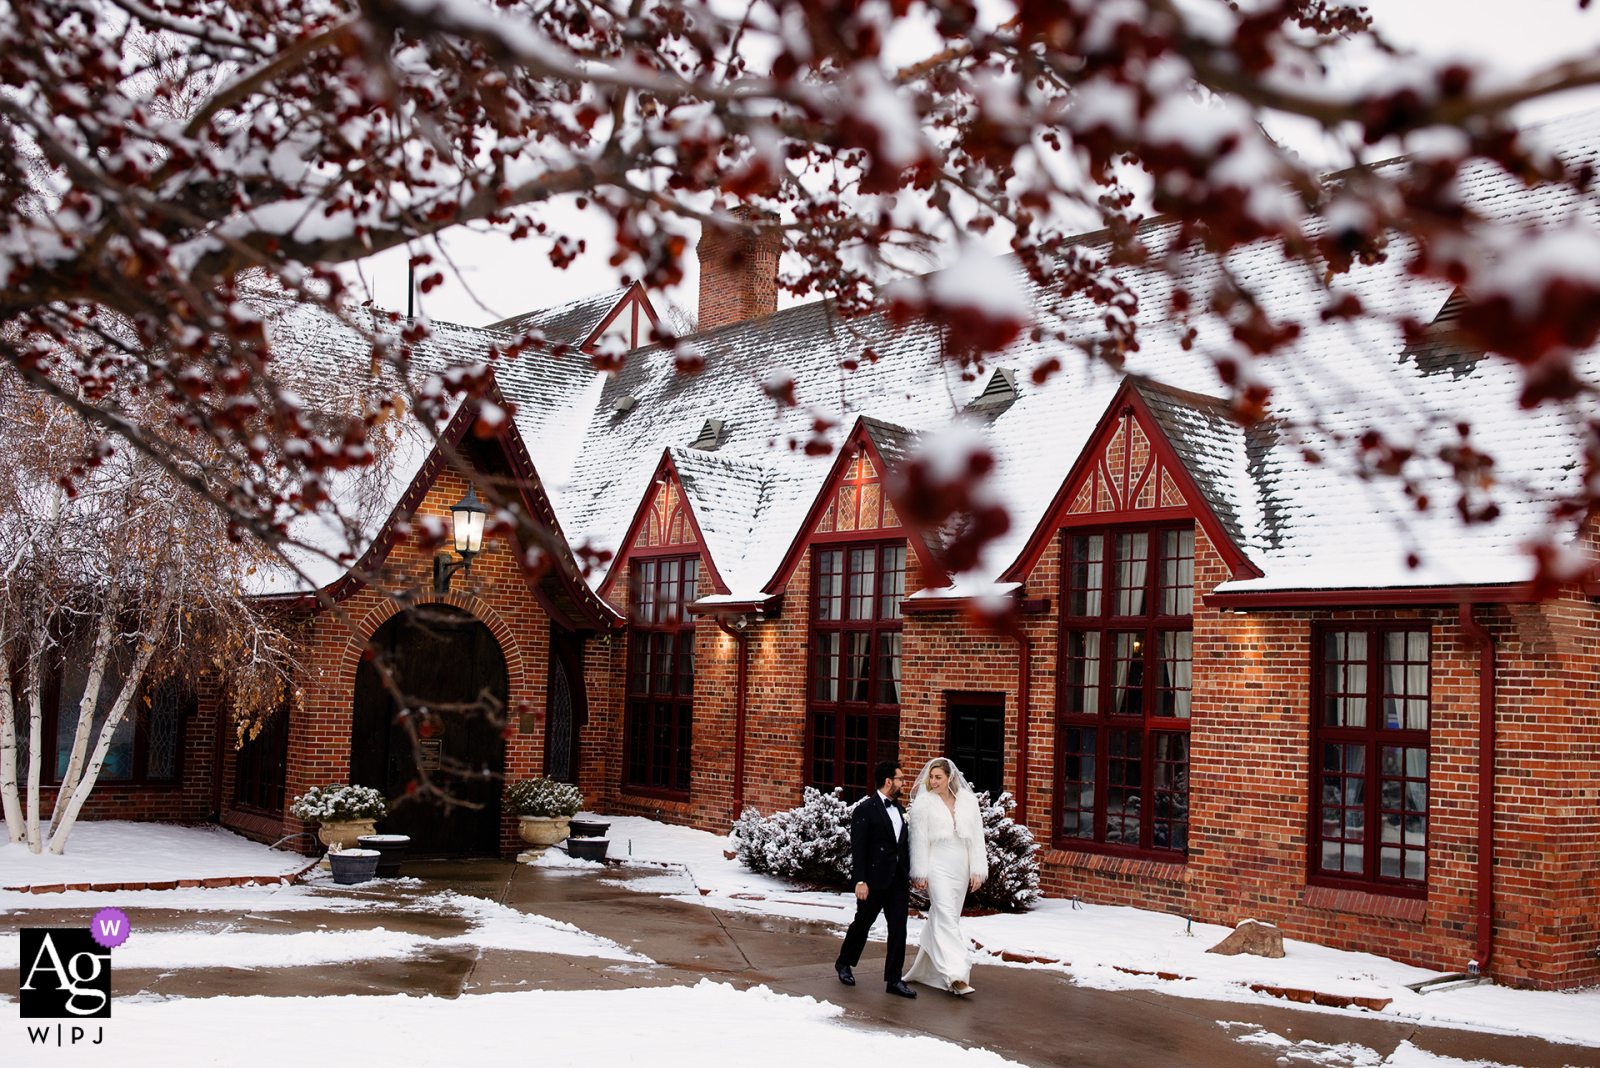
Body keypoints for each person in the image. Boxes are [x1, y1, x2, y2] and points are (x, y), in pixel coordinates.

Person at [904, 757, 987, 996]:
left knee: (946, 916)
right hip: (937, 864)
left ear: (950, 777)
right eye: (931, 777)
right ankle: (957, 974)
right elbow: (918, 839)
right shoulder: (924, 802)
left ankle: (925, 971)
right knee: (945, 915)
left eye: (938, 777)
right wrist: (919, 871)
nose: (933, 781)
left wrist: (977, 870)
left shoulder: (968, 801)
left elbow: (976, 837)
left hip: (960, 865)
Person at [834, 761, 918, 998]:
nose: (903, 783)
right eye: (900, 779)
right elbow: (858, 849)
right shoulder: (865, 809)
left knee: (898, 930)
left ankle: (894, 979)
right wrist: (860, 880)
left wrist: (911, 873)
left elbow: (904, 846)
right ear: (888, 781)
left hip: (898, 881)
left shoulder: (901, 810)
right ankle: (844, 962)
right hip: (873, 880)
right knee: (863, 924)